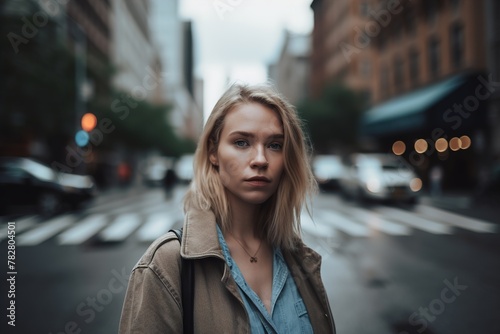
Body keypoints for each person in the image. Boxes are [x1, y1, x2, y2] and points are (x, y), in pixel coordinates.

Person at [119, 83, 336, 333]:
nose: (260, 159)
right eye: (242, 142)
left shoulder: (300, 259)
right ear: (213, 152)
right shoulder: (166, 265)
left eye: (275, 145)